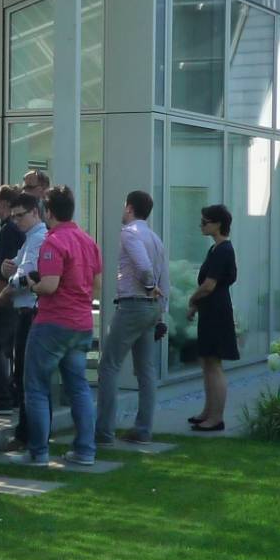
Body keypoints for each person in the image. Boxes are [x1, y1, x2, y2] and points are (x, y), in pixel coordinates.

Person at [16, 185, 101, 465]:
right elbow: (97, 287)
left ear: (47, 212)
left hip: (53, 324)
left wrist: (32, 283)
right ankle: (85, 451)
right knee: (78, 388)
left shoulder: (53, 242)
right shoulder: (88, 241)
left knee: (37, 387)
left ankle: (38, 453)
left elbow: (49, 286)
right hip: (82, 324)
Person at [96, 189, 169, 445]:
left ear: (129, 208)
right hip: (151, 308)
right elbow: (164, 277)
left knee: (108, 366)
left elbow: (145, 268)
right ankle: (143, 430)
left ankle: (103, 432)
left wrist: (149, 286)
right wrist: (162, 312)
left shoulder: (129, 233)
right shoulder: (155, 238)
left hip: (132, 305)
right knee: (146, 370)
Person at [186, 202, 238, 432]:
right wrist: (197, 305)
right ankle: (208, 411)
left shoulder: (224, 250)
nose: (201, 225)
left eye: (205, 222)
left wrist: (192, 300)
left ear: (217, 224)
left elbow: (209, 285)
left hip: (217, 311)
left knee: (214, 363)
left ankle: (216, 417)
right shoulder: (215, 249)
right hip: (210, 309)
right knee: (206, 361)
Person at [0, 190, 48, 425]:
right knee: (24, 375)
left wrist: (8, 286)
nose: (16, 221)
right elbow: (14, 266)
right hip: (26, 309)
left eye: (20, 216)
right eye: (14, 217)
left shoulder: (39, 237)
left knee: (26, 377)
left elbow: (23, 276)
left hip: (30, 310)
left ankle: (28, 434)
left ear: (35, 213)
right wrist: (9, 271)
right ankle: (29, 433)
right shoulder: (31, 237)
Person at [0, 184, 24, 409]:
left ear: (5, 204)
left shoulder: (9, 230)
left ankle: (3, 395)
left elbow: (5, 268)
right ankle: (12, 392)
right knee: (8, 346)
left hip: (8, 295)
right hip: (17, 296)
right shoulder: (17, 229)